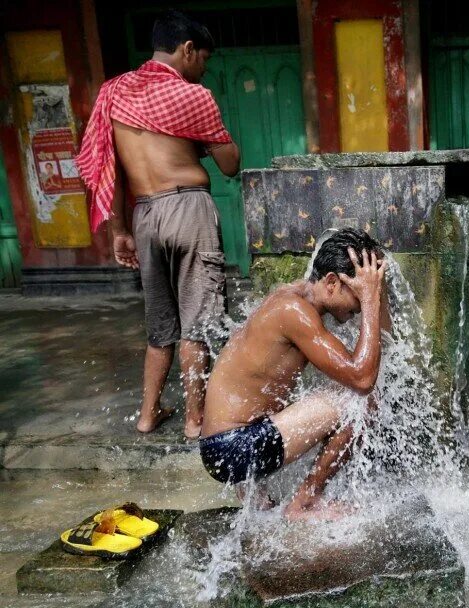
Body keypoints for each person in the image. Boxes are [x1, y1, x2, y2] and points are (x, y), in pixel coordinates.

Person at [78, 10, 240, 438]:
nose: (203, 69)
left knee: (160, 327)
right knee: (197, 324)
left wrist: (118, 231)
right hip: (189, 210)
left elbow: (104, 168)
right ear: (187, 50)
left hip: (144, 215)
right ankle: (194, 420)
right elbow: (231, 164)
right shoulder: (193, 97)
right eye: (203, 59)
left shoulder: (112, 95)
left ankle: (148, 415)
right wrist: (202, 143)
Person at [199, 229, 389, 520]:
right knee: (362, 402)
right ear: (332, 282)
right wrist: (371, 301)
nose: (361, 304)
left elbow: (384, 340)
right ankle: (305, 503)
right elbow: (363, 379)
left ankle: (262, 505)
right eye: (359, 293)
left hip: (226, 444)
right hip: (232, 449)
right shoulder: (294, 311)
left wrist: (374, 294)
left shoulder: (293, 297)